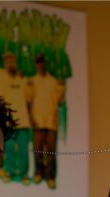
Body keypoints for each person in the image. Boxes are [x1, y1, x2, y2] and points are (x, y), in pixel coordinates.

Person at [27, 54, 65, 189]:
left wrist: (61, 86)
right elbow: (29, 100)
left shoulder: (53, 81)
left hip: (51, 122)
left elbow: (59, 101)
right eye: (38, 62)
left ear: (45, 63)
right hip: (38, 121)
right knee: (38, 150)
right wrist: (31, 118)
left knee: (51, 152)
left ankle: (50, 177)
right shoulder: (32, 81)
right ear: (36, 65)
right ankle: (38, 173)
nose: (40, 65)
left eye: (42, 62)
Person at [0, 51, 33, 184]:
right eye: (7, 60)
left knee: (23, 149)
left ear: (15, 62)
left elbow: (29, 99)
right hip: (7, 122)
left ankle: (23, 174)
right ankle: (9, 172)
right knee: (9, 148)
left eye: (12, 60)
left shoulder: (22, 79)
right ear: (5, 63)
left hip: (23, 121)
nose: (10, 63)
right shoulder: (1, 79)